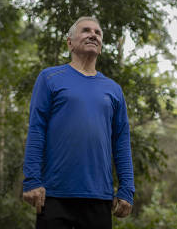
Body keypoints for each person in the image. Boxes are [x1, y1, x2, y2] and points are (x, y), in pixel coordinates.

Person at [22, 17, 135, 229]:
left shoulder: (113, 90)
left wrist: (127, 189)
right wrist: (32, 180)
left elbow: (121, 142)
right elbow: (37, 129)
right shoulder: (50, 78)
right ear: (69, 42)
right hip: (54, 195)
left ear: (101, 46)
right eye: (85, 30)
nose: (93, 34)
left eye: (98, 32)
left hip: (98, 198)